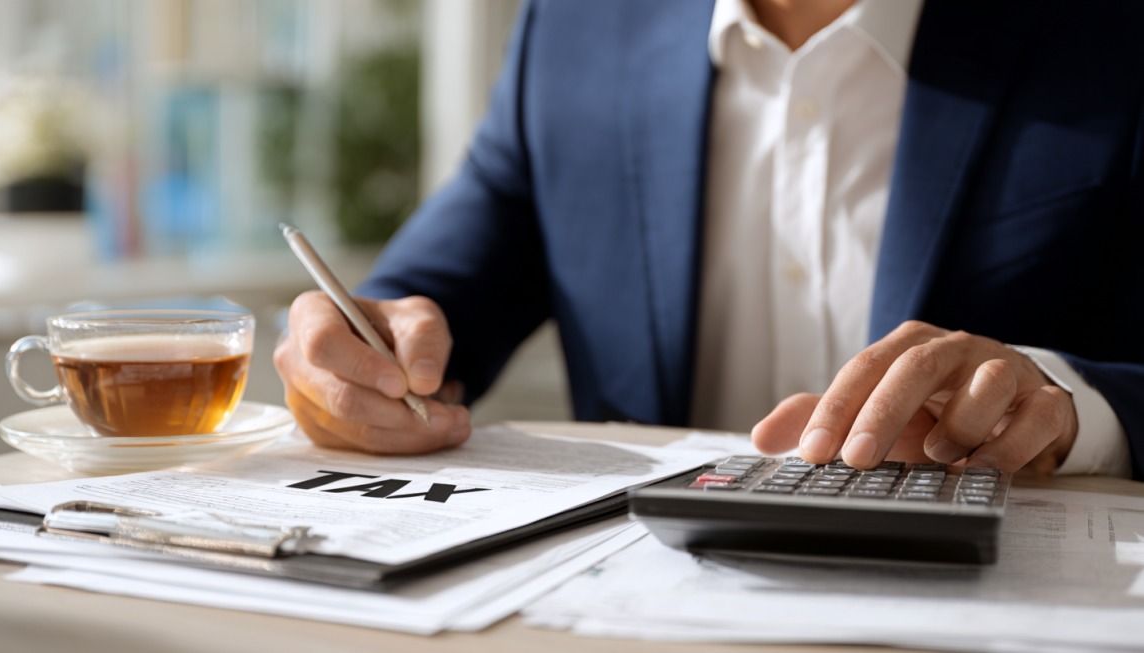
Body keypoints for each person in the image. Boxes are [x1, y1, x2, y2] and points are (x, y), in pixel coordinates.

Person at [274, 0, 1144, 480]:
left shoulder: (1109, 33)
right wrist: (352, 360)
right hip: (633, 609)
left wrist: (1070, 404)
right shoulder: (577, 31)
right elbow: (425, 304)